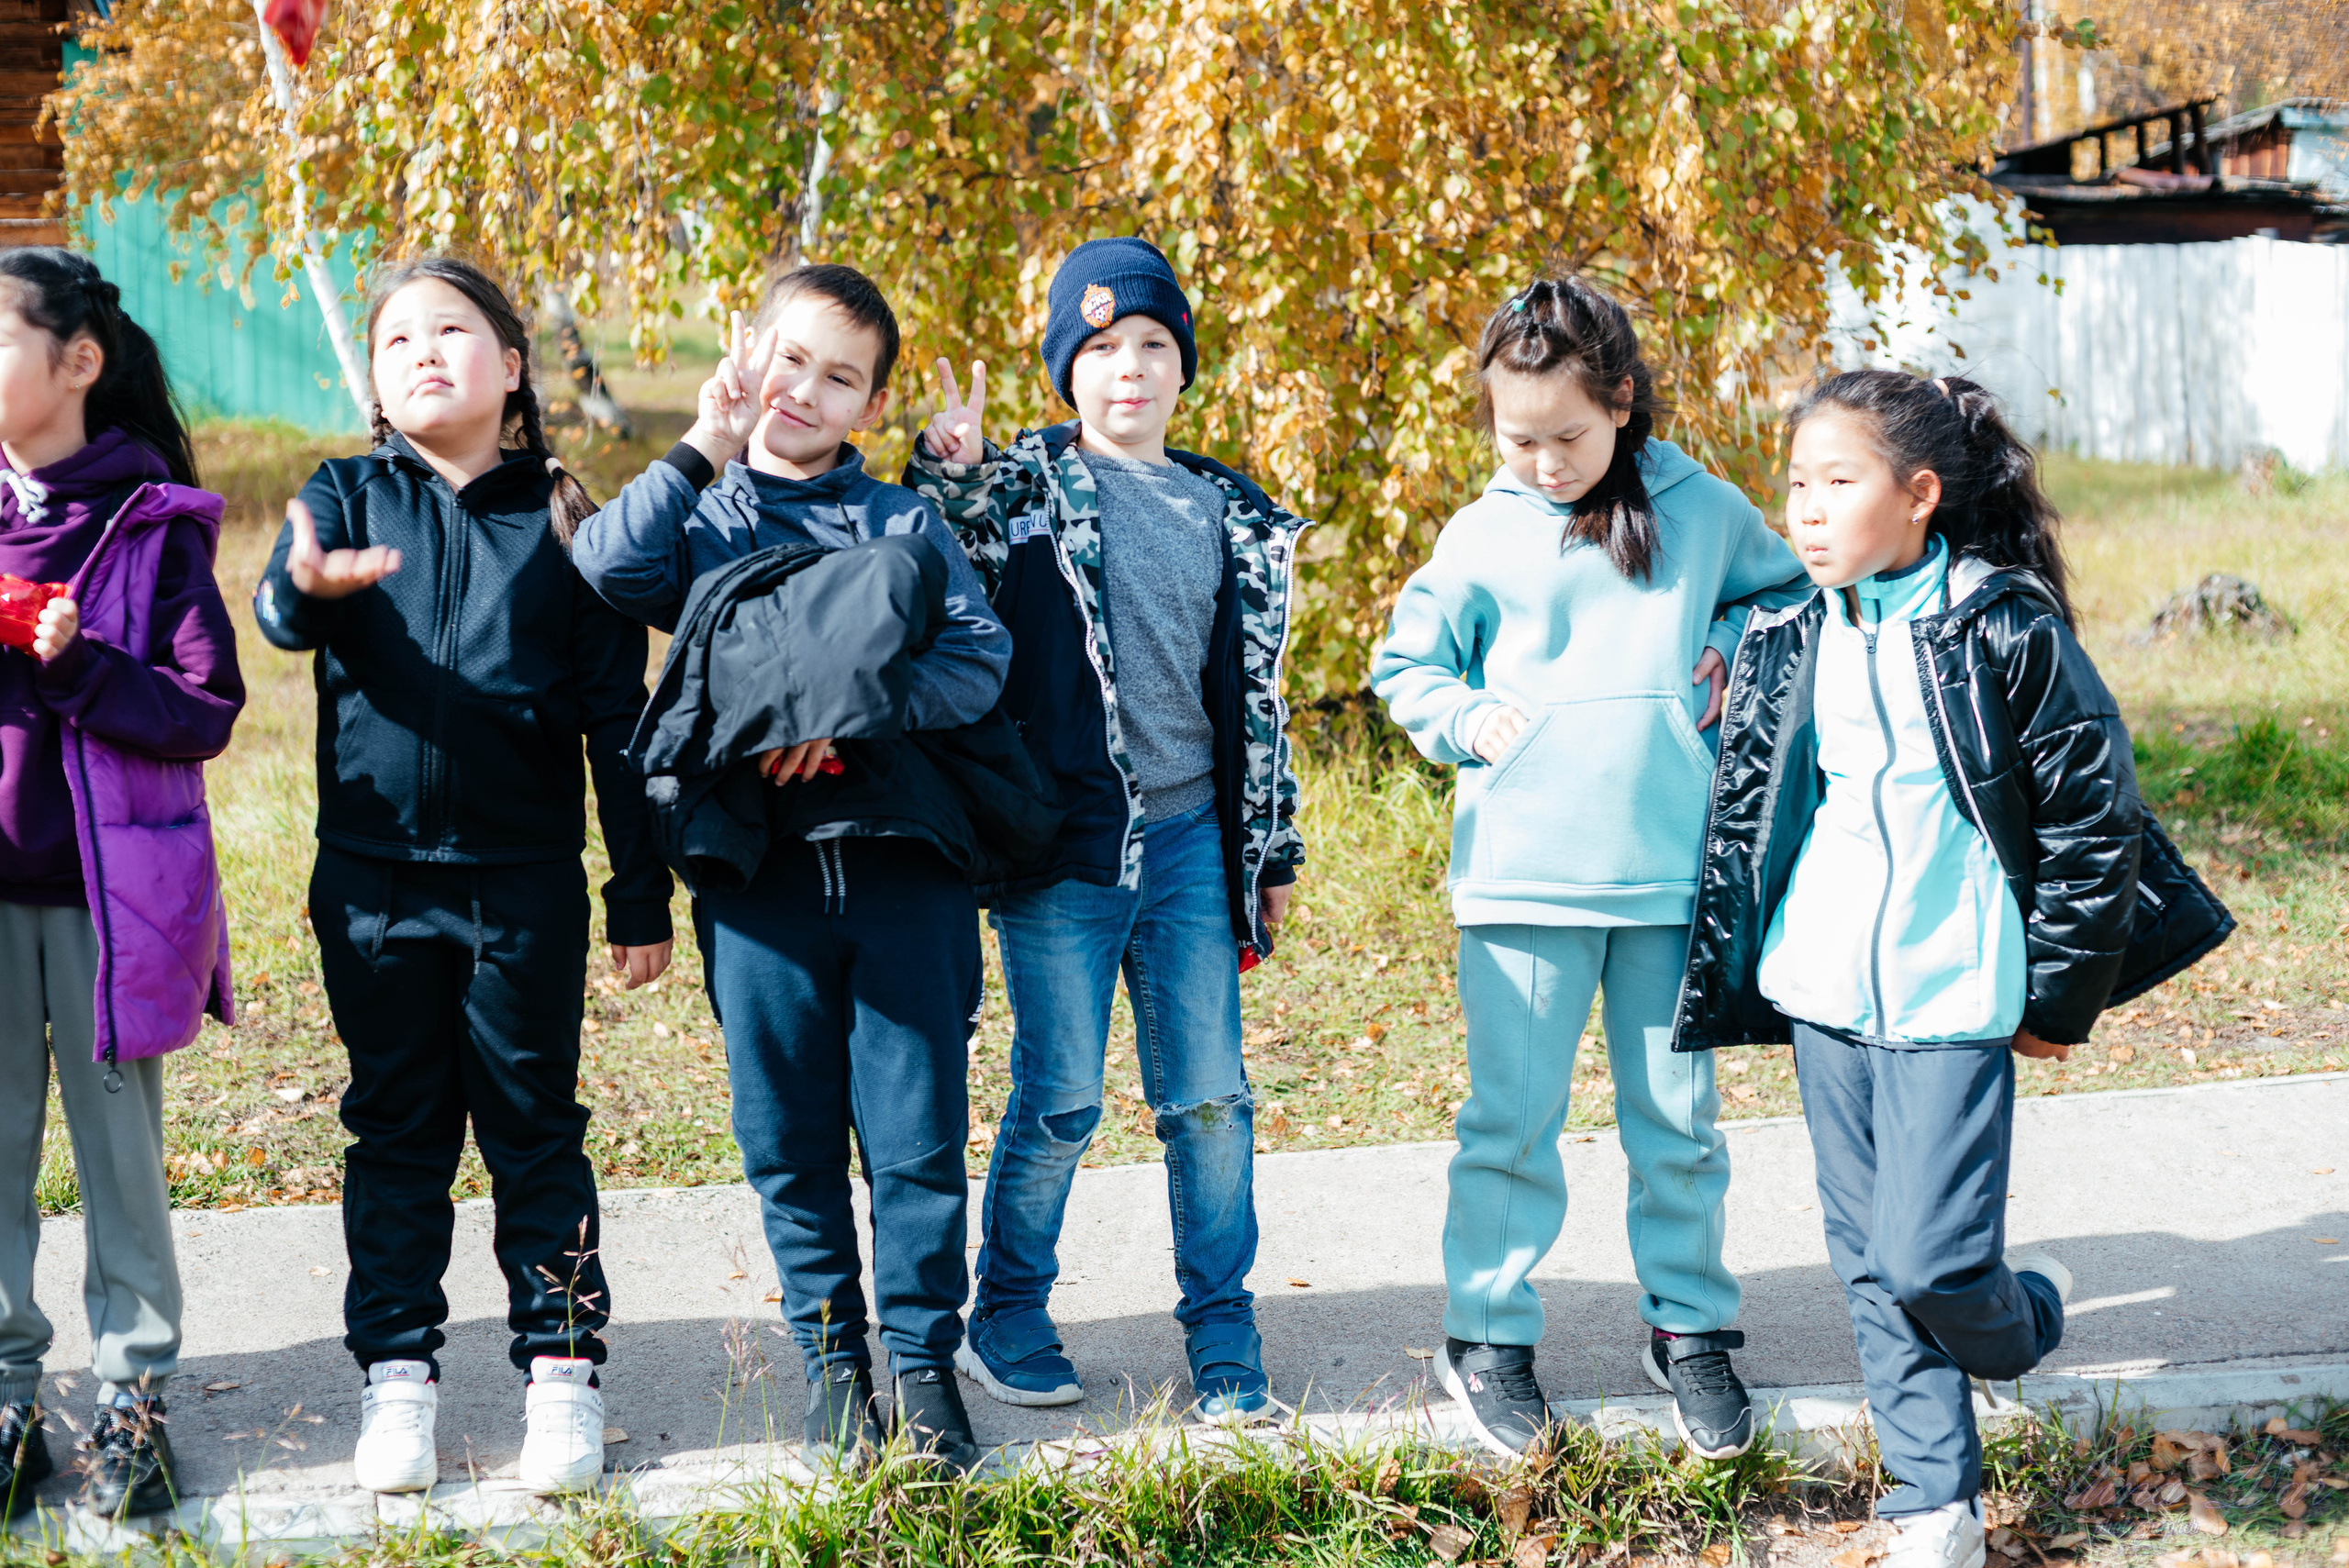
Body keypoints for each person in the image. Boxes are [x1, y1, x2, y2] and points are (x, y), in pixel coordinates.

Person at [1674, 370, 2178, 1568]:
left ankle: (2025, 1314)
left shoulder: (2000, 624)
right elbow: (1763, 807)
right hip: (1826, 992)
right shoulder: (1794, 632)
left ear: (1919, 495)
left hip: (1955, 992)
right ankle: (1931, 1502)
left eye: (1835, 483)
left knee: (1932, 1259)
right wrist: (1719, 714)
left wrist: (2062, 998)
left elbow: (2094, 823)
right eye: (1795, 484)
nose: (1803, 510)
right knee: (1869, 1263)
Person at [570, 263, 1010, 1473]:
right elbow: (605, 568)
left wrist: (863, 705)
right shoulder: (707, 517)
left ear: (872, 408)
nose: (805, 390)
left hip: (903, 879)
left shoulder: (901, 523)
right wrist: (704, 439)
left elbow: (981, 659)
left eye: (841, 377)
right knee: (790, 1138)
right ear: (744, 350)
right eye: (790, 358)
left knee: (917, 1138)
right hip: (755, 886)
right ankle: (834, 1370)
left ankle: (923, 1370)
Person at [253, 258, 673, 1496]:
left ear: (514, 362)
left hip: (522, 888)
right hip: (374, 886)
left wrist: (637, 894)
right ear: (375, 381)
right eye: (397, 340)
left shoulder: (559, 516)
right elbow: (283, 607)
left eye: (454, 329)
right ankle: (396, 1375)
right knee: (397, 1129)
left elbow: (617, 717)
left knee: (535, 1128)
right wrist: (303, 588)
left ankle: (561, 1371)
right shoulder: (344, 495)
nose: (425, 351)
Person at [1370, 276, 1805, 1459]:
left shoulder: (1705, 510)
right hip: (1522, 882)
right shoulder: (1483, 528)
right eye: (1519, 440)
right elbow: (1406, 665)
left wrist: (1721, 645)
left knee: (1679, 1123)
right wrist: (1465, 720)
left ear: (1621, 402)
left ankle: (1689, 1328)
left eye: (1567, 436)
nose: (1545, 462)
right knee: (1511, 1125)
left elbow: (1787, 600)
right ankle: (1490, 1337)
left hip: (1672, 877)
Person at [905, 236, 1309, 1425]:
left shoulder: (1227, 509)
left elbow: (1257, 702)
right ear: (1065, 373)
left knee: (1208, 1097)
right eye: (1100, 351)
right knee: (1062, 1093)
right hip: (1066, 849)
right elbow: (949, 559)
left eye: (1151, 346)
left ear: (1182, 366)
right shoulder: (1027, 486)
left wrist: (1268, 849)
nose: (1128, 369)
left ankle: (1223, 1326)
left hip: (1191, 845)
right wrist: (954, 468)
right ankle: (1010, 1308)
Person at [0, 247, 242, 1519]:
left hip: (110, 900)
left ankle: (134, 1397)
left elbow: (206, 709)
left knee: (119, 1157)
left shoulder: (150, 526)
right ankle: (4, 1397)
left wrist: (82, 660)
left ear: (77, 361)